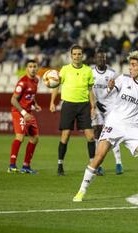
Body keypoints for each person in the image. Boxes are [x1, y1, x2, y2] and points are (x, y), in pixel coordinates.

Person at [72, 50, 138, 203]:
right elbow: (105, 97)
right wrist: (109, 88)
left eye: (133, 65)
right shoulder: (123, 80)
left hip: (132, 128)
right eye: (129, 65)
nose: (130, 68)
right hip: (114, 123)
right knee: (98, 158)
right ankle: (81, 191)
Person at [50, 45, 96, 176]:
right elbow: (55, 86)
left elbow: (90, 90)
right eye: (74, 54)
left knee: (91, 136)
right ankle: (60, 165)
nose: (77, 56)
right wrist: (52, 102)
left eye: (79, 54)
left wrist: (93, 106)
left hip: (84, 105)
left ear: (82, 55)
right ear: (71, 56)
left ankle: (93, 166)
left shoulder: (87, 70)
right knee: (66, 135)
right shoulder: (64, 70)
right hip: (68, 105)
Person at [91, 48, 123, 175]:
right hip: (97, 106)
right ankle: (98, 165)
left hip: (110, 106)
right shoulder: (91, 72)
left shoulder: (112, 73)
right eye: (99, 57)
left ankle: (119, 163)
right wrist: (94, 104)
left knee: (111, 133)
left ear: (106, 59)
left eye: (103, 57)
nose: (101, 59)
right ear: (95, 59)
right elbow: (90, 90)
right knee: (97, 134)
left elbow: (117, 89)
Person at [8, 59, 41, 174]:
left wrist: (35, 104)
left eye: (34, 66)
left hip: (28, 113)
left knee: (35, 138)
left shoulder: (36, 80)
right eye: (30, 66)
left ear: (37, 68)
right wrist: (23, 113)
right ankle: (12, 165)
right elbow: (13, 99)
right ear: (27, 68)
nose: (32, 68)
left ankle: (26, 166)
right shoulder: (22, 82)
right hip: (19, 112)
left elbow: (30, 95)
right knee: (20, 137)